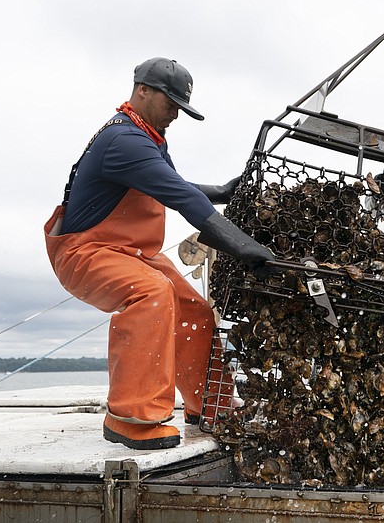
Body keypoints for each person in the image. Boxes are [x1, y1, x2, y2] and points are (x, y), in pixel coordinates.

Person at [43, 57, 275, 450]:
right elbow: (180, 196)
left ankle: (212, 405)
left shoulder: (147, 135)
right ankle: (131, 417)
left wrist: (222, 190)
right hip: (86, 252)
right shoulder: (123, 140)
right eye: (171, 104)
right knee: (152, 294)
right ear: (142, 91)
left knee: (194, 310)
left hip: (132, 252)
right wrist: (243, 246)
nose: (175, 115)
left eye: (180, 108)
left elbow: (173, 182)